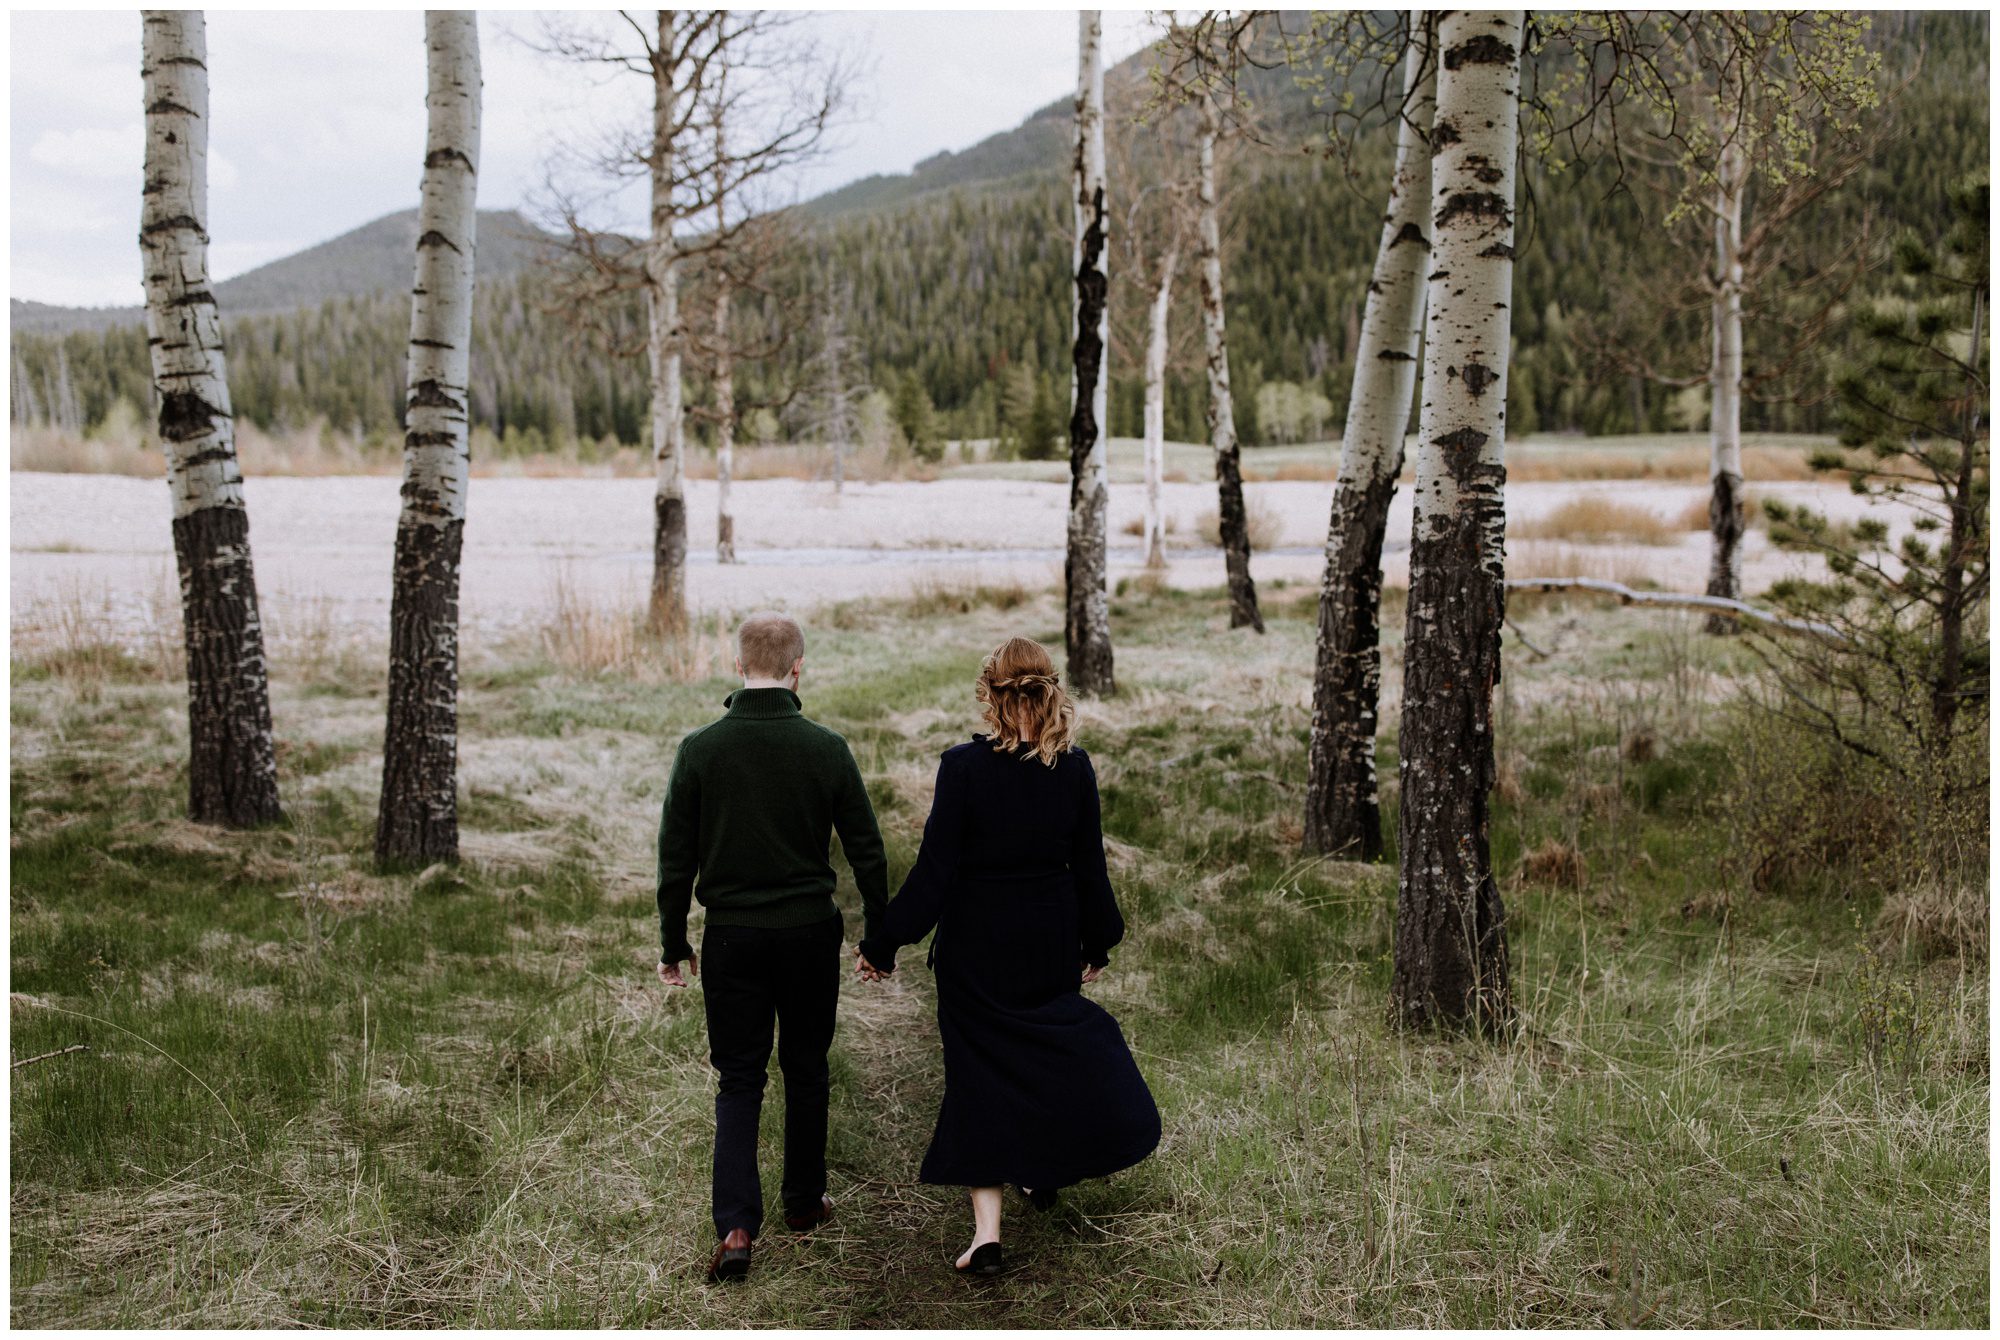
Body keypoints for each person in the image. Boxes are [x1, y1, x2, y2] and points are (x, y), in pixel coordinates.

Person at [856, 636, 1160, 1278]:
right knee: (1040, 1057)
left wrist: (884, 942)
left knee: (979, 1075)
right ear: (1051, 693)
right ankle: (1040, 1168)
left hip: (977, 947)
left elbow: (935, 872)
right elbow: (1090, 870)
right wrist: (1099, 940)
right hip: (1049, 940)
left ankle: (988, 1236)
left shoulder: (962, 767)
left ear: (990, 696)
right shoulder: (1073, 769)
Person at [656, 611, 889, 1283]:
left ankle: (734, 1226)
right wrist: (879, 935)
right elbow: (867, 851)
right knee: (807, 1067)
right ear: (798, 668)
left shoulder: (700, 750)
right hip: (809, 934)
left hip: (731, 937)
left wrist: (675, 942)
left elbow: (675, 860)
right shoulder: (826, 748)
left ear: (737, 667)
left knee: (739, 1078)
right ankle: (804, 1201)